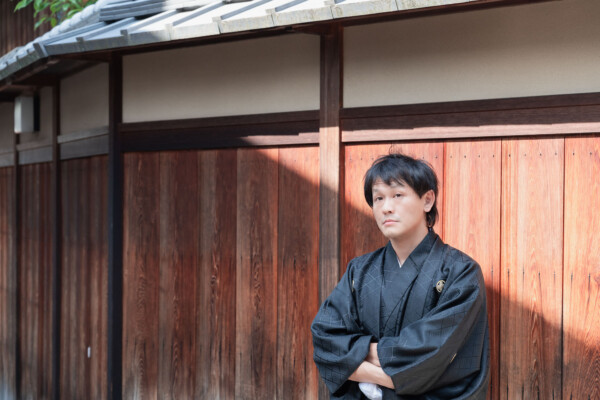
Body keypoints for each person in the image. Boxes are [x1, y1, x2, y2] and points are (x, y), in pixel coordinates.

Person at [311, 153, 489, 399]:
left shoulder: (460, 271)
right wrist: (391, 377)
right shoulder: (359, 270)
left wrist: (355, 355)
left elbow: (433, 351)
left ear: (427, 200)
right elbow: (325, 339)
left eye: (397, 195)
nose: (386, 207)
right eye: (378, 198)